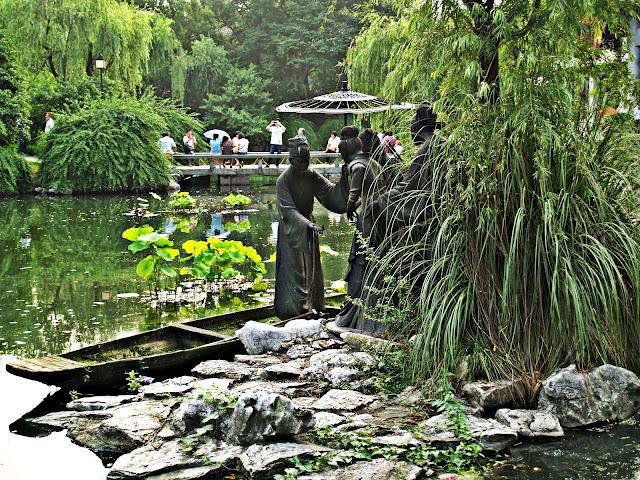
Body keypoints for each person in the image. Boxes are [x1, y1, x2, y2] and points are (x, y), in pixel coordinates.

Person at [274, 136, 347, 319]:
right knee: (295, 269)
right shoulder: (283, 180)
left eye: (307, 160)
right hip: (293, 228)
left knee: (312, 267)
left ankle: (314, 305)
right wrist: (306, 224)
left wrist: (345, 180)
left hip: (308, 224)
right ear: (291, 160)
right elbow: (288, 210)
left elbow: (330, 193)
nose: (304, 164)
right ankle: (293, 310)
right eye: (300, 161)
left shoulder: (311, 175)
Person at [334, 125, 385, 333]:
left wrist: (348, 208)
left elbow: (354, 192)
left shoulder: (357, 165)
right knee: (374, 258)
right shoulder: (372, 162)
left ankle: (359, 312)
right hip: (381, 215)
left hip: (368, 218)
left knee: (361, 259)